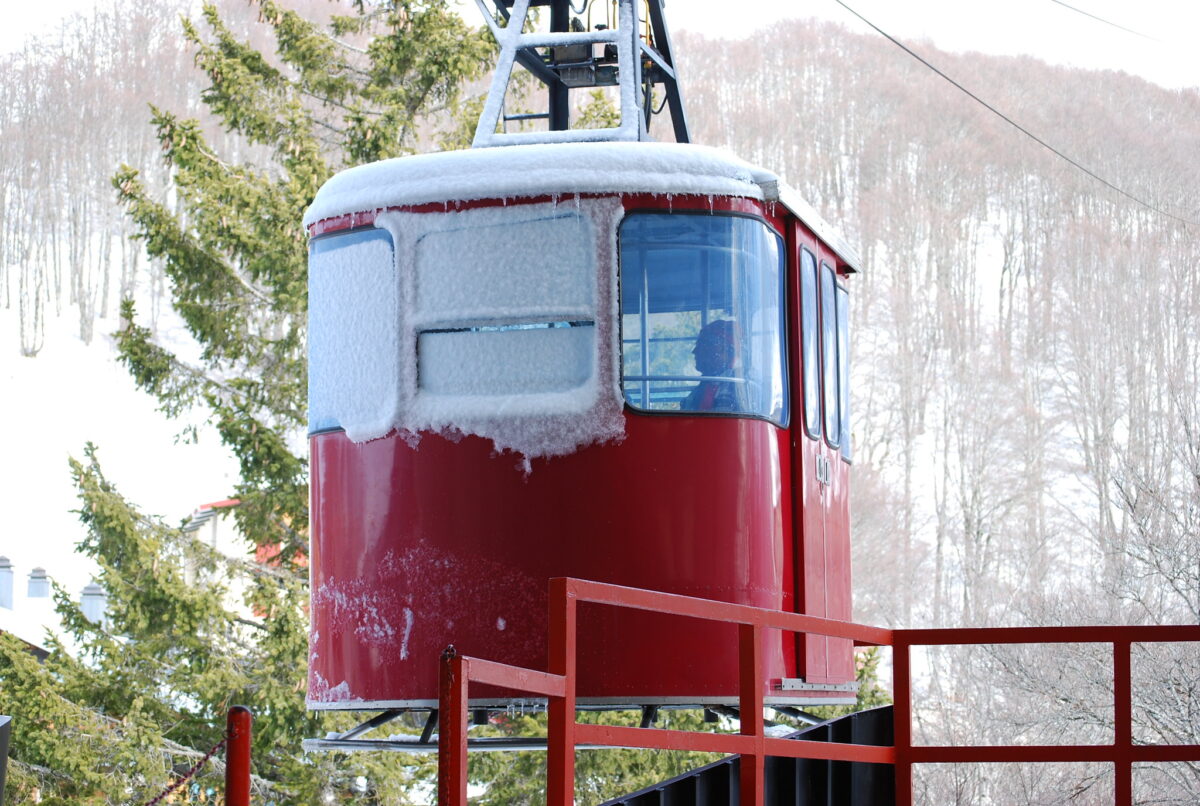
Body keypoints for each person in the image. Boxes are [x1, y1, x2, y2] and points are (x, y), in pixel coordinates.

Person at [681, 319, 741, 412]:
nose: (694, 351)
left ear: (725, 351)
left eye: (702, 345)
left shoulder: (738, 387)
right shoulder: (703, 387)